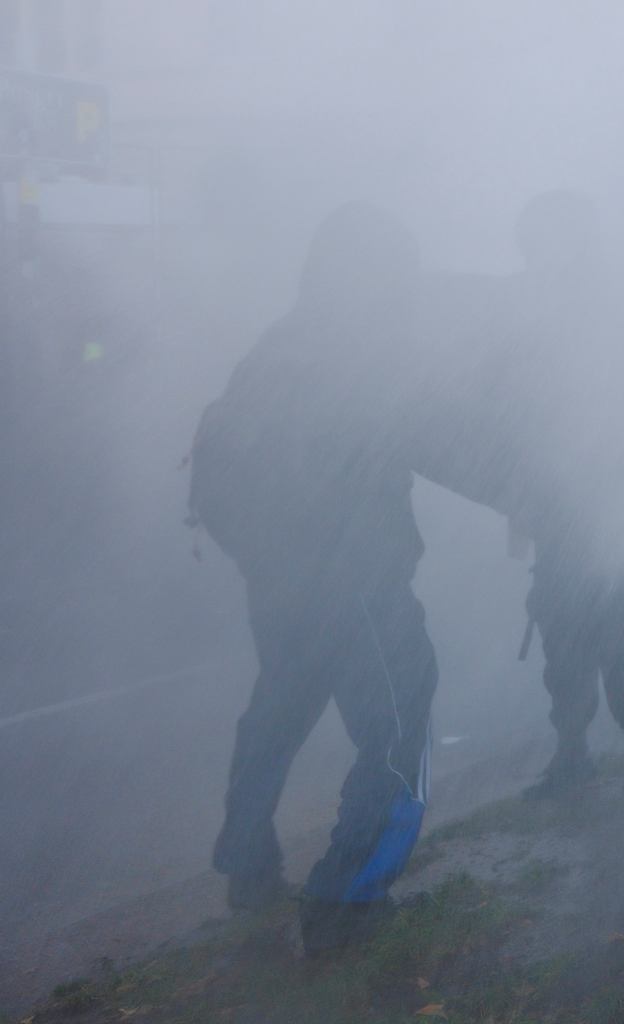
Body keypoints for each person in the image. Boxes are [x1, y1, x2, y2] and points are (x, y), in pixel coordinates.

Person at [189, 203, 437, 954]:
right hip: (355, 581)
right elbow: (408, 448)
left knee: (278, 712)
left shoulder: (277, 346)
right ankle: (347, 896)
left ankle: (248, 865)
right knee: (400, 726)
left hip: (279, 582)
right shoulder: (358, 352)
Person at [505, 191, 624, 798]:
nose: (536, 254)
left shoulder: (617, 308)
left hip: (618, 505)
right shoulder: (524, 308)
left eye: (544, 240)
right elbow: (509, 405)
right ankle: (573, 754)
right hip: (558, 505)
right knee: (563, 635)